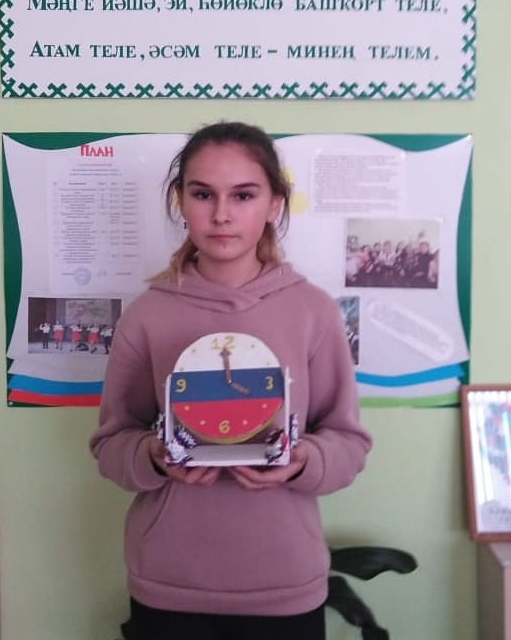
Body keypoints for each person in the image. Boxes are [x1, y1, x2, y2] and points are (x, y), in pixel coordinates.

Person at [90, 121, 371, 640]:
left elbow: (349, 443)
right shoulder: (147, 315)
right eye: (203, 194)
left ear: (274, 204)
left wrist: (303, 460)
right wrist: (153, 455)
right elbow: (111, 443)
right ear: (180, 201)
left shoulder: (313, 312)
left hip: (285, 584)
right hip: (169, 585)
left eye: (243, 195)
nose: (221, 214)